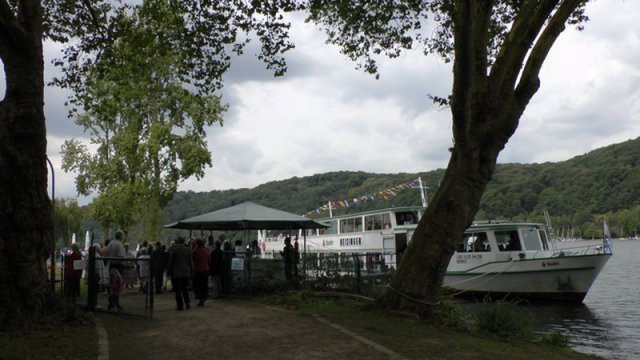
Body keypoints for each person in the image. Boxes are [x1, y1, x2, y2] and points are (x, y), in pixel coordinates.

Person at [167, 237, 193, 310]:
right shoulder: (188, 250)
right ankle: (187, 302)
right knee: (185, 288)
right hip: (186, 272)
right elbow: (191, 262)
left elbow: (171, 262)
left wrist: (169, 271)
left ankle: (180, 305)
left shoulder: (174, 250)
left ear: (178, 241)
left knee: (177, 290)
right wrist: (192, 272)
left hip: (177, 273)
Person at [192, 239, 210, 306]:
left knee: (197, 285)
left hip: (198, 270)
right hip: (206, 269)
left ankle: (200, 297)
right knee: (204, 285)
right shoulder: (207, 250)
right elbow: (209, 260)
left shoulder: (195, 251)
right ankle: (203, 298)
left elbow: (192, 258)